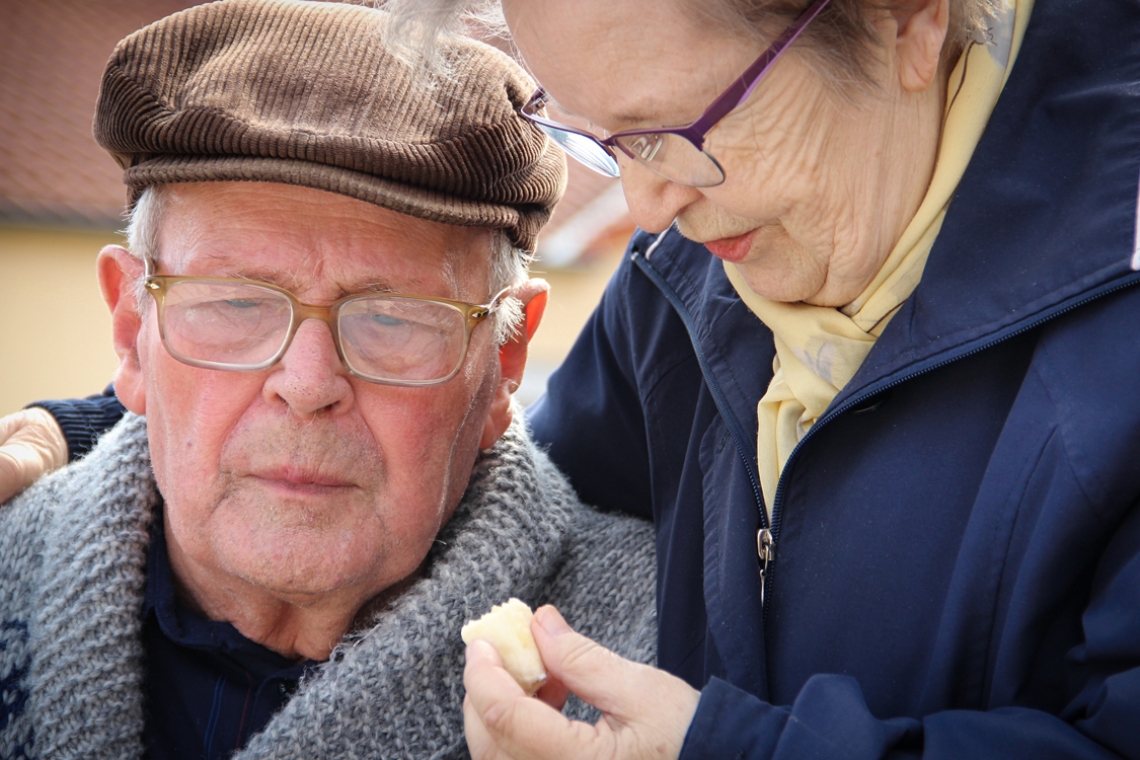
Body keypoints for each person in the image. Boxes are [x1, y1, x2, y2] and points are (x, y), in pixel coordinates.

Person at [5, 0, 1140, 757]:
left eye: (679, 126)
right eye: (609, 142)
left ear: (908, 17)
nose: (645, 212)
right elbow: (479, 456)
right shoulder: (691, 276)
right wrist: (96, 439)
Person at [0, 1, 658, 758]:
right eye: (237, 303)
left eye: (393, 319)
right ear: (131, 331)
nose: (309, 384)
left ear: (504, 360)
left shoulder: (663, 652)